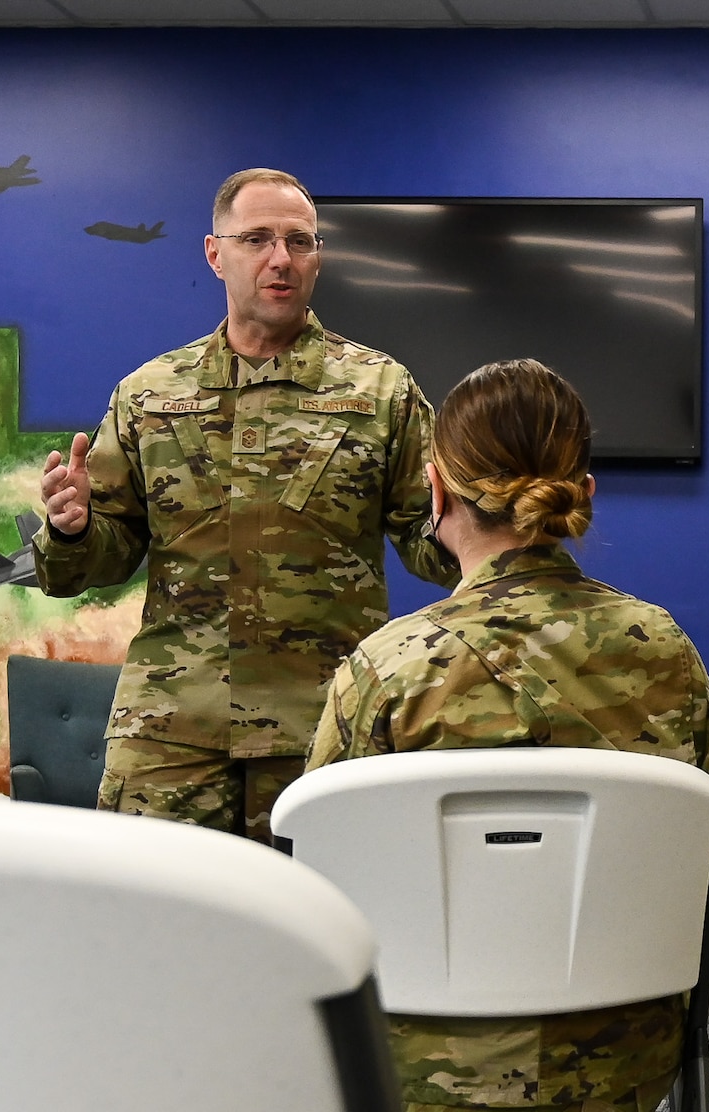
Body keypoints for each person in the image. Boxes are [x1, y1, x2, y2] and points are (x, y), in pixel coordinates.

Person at [306, 357, 709, 1112]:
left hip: (413, 1084)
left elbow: (319, 882)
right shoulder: (667, 653)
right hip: (622, 1080)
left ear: (435, 491)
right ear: (583, 491)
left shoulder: (384, 671)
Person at [34, 167, 453, 845]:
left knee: (328, 938)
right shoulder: (149, 394)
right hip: (172, 737)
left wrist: (494, 520)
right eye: (257, 239)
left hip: (325, 732)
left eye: (299, 241)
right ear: (215, 253)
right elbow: (88, 567)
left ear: (319, 257)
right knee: (159, 938)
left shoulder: (381, 392)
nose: (280, 259)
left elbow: (434, 547)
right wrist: (72, 529)